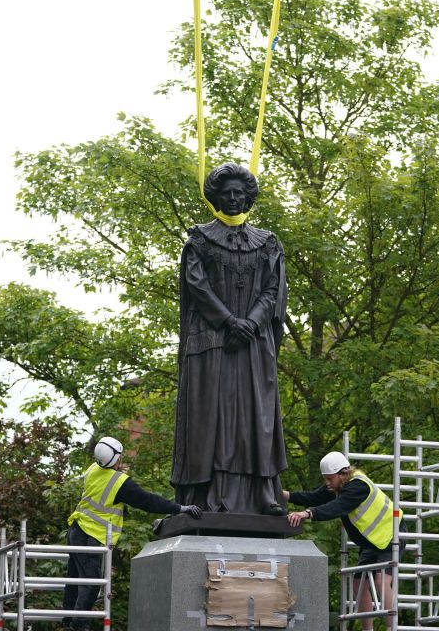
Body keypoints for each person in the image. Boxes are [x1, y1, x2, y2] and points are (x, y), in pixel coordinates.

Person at [170, 163, 288, 515]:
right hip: (211, 343)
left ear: (249, 197)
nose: (234, 198)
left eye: (240, 193)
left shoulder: (267, 243)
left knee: (257, 418)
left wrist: (250, 323)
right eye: (227, 193)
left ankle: (262, 495)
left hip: (253, 345)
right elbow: (197, 287)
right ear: (216, 198)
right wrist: (228, 322)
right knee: (214, 419)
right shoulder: (200, 240)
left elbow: (273, 289)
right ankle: (209, 497)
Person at [63, 436, 202, 630]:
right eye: (120, 456)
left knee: (75, 578)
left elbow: (103, 498)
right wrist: (180, 508)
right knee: (91, 583)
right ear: (116, 459)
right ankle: (78, 625)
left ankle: (68, 620)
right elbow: (147, 501)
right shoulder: (119, 482)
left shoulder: (93, 469)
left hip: (76, 529)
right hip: (93, 535)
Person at [285, 452, 403, 631]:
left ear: (343, 474)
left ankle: (391, 627)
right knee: (358, 584)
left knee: (380, 581)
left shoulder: (358, 487)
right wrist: (284, 495)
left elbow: (336, 508)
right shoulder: (339, 485)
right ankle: (367, 629)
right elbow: (313, 497)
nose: (327, 483)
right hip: (374, 542)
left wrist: (307, 514)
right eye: (325, 479)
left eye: (330, 479)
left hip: (392, 535)